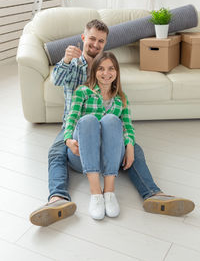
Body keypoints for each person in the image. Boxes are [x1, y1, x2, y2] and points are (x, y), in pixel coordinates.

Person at [30, 19, 195, 226]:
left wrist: (129, 144)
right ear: (83, 38)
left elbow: (123, 121)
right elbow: (58, 80)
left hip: (107, 128)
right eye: (92, 39)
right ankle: (58, 199)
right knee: (56, 152)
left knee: (135, 149)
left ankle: (153, 194)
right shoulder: (74, 67)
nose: (95, 44)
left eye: (101, 41)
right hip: (75, 127)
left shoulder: (111, 82)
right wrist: (64, 60)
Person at [65, 52, 135, 219]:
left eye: (111, 68)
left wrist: (130, 145)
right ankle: (96, 193)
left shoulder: (121, 99)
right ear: (94, 71)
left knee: (111, 120)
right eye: (101, 69)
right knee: (89, 120)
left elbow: (127, 127)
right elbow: (72, 118)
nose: (106, 73)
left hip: (110, 159)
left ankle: (109, 192)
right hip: (81, 157)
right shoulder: (82, 92)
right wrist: (68, 139)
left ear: (117, 72)